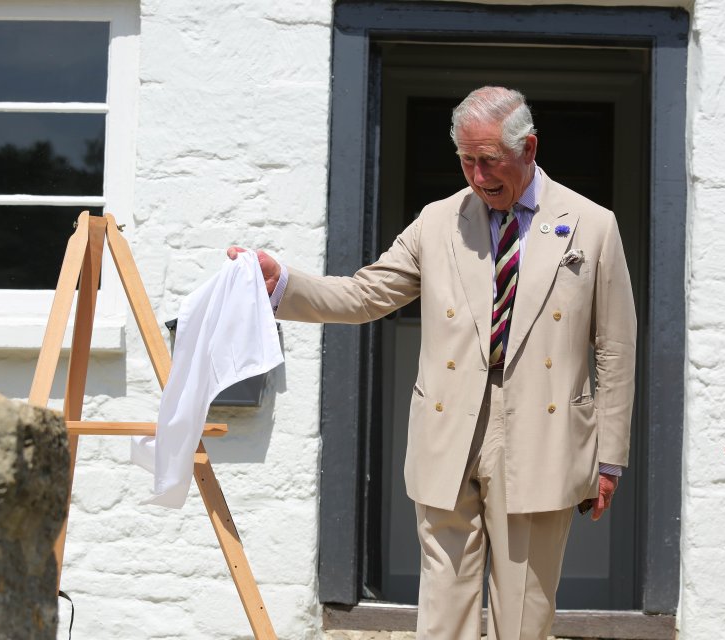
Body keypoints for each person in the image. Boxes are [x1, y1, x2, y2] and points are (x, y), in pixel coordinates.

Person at [230, 86, 636, 639]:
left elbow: (615, 347)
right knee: (443, 612)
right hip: (447, 429)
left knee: (522, 614)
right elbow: (365, 293)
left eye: (488, 160)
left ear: (529, 147)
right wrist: (285, 285)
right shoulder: (438, 221)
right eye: (466, 161)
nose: (477, 176)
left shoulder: (593, 225)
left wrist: (608, 457)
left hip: (543, 434)